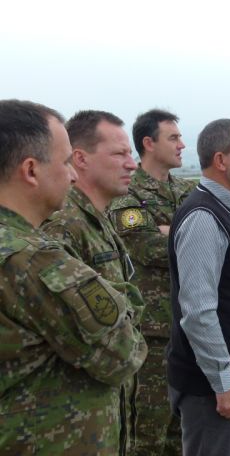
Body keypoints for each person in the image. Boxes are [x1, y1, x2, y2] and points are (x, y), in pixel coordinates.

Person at [0, 99, 147, 454]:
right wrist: (123, 298)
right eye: (65, 162)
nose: (72, 175)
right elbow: (124, 353)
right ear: (31, 170)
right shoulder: (34, 260)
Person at [166, 118, 230, 456]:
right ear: (221, 160)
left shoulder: (229, 210)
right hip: (213, 388)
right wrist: (224, 383)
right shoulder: (204, 218)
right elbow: (198, 312)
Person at [41, 109, 141, 451]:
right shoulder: (64, 225)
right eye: (119, 154)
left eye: (130, 154)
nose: (131, 164)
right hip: (72, 425)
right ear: (80, 159)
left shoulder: (98, 220)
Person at [109, 109, 196, 455]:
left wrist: (169, 230)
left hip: (191, 326)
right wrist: (188, 234)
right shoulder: (127, 194)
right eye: (173, 138)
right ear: (148, 143)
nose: (182, 145)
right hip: (152, 333)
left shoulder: (189, 191)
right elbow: (146, 248)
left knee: (181, 431)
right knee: (147, 431)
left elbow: (217, 239)